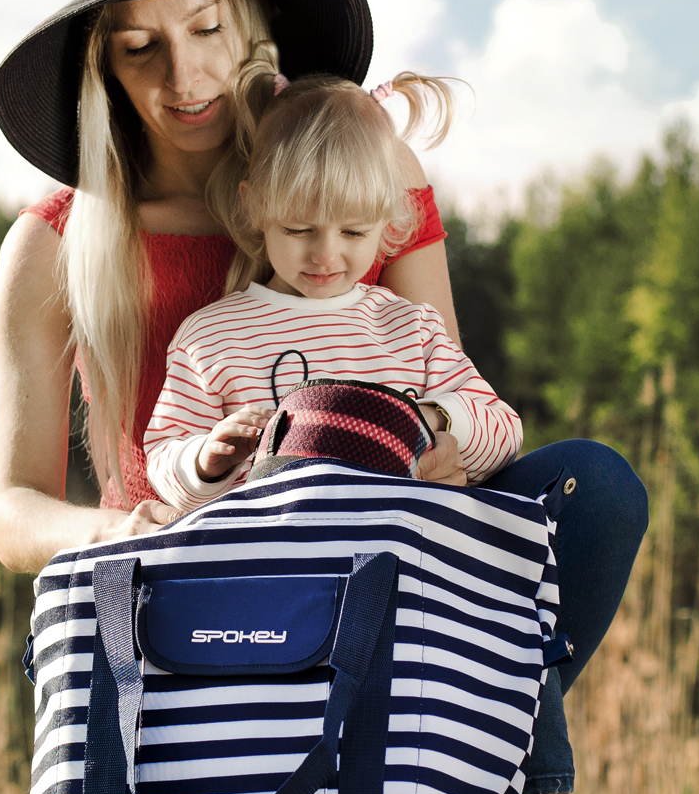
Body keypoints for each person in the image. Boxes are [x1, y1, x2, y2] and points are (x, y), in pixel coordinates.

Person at [0, 0, 658, 794]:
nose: (184, 74)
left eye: (204, 26)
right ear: (99, 68)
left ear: (245, 22)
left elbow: (444, 387)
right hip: (179, 602)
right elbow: (12, 512)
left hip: (366, 567)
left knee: (592, 488)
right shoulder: (53, 244)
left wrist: (446, 450)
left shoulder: (361, 175)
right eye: (138, 46)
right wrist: (138, 523)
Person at [143, 72, 523, 510]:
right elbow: (164, 458)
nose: (325, 255)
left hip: (396, 549)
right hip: (277, 557)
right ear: (254, 206)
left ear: (388, 219)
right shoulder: (211, 338)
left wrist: (431, 417)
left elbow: (504, 432)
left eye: (354, 232)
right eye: (299, 229)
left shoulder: (410, 328)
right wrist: (204, 460)